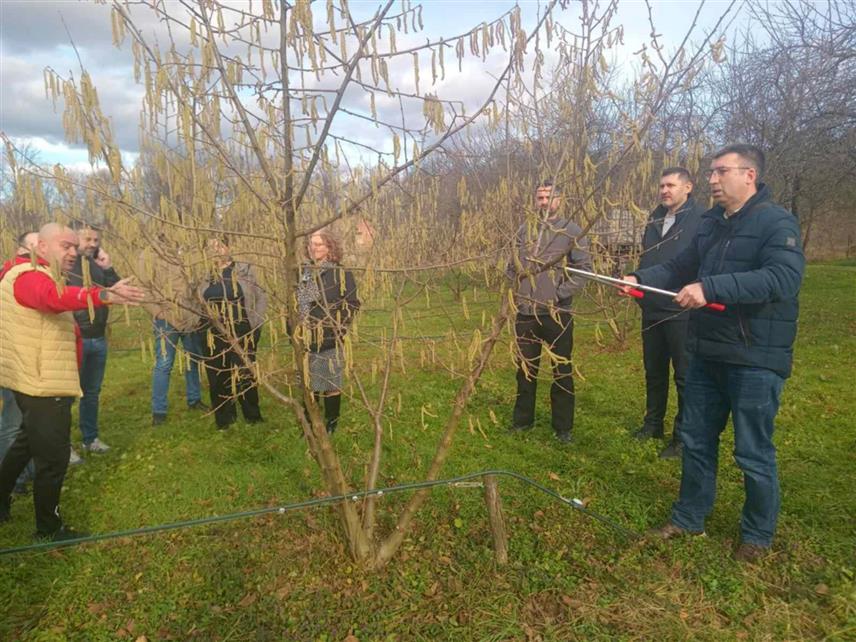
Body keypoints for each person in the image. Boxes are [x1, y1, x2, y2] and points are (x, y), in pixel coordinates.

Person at [624, 144, 805, 562]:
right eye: (711, 172)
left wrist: (711, 288)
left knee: (752, 451)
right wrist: (638, 277)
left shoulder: (776, 222)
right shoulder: (710, 224)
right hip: (707, 352)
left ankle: (757, 535)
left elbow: (782, 279)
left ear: (749, 175)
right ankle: (689, 518)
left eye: (721, 171)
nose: (712, 180)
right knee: (696, 440)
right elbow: (679, 267)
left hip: (754, 357)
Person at [0, 223, 144, 541]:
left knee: (25, 444)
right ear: (41, 248)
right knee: (53, 458)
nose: (72, 253)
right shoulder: (29, 277)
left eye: (74, 248)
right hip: (43, 383)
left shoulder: (28, 272)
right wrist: (103, 295)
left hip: (36, 379)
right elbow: (52, 297)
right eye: (65, 246)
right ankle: (49, 530)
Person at [507, 180, 591, 444]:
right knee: (525, 370)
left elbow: (584, 270)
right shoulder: (524, 230)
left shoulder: (572, 230)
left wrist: (558, 294)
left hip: (557, 315)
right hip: (525, 313)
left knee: (561, 371)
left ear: (559, 200)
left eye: (548, 197)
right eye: (539, 198)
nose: (544, 202)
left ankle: (563, 428)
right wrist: (516, 290)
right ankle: (522, 422)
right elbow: (511, 266)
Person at [633, 168, 705, 459]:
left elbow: (697, 262)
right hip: (652, 307)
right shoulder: (655, 218)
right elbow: (648, 257)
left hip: (681, 310)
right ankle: (653, 424)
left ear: (687, 187)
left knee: (684, 376)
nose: (665, 190)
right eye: (662, 185)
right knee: (654, 371)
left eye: (671, 185)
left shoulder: (701, 219)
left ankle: (682, 437)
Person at [296, 229, 360, 434]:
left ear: (330, 247)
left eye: (318, 244)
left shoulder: (341, 273)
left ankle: (332, 421)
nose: (312, 248)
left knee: (330, 380)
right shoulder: (303, 271)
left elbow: (352, 303)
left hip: (329, 335)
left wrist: (337, 327)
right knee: (308, 380)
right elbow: (297, 301)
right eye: (310, 244)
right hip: (304, 336)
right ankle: (310, 419)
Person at [138, 240, 208, 426]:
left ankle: (194, 399)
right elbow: (143, 288)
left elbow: (200, 282)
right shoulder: (150, 254)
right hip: (166, 320)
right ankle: (159, 411)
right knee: (164, 363)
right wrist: (159, 313)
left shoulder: (190, 248)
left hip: (191, 317)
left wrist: (199, 309)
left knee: (193, 360)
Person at [66, 223, 121, 454]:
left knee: (91, 393)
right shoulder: (65, 266)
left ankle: (90, 438)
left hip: (98, 338)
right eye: (87, 239)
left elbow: (117, 291)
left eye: (96, 240)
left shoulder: (97, 265)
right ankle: (64, 446)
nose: (92, 244)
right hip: (74, 339)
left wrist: (108, 268)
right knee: (66, 395)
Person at [200, 236, 266, 429]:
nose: (216, 250)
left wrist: (256, 323)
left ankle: (252, 416)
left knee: (245, 373)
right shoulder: (203, 274)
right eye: (211, 247)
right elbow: (192, 299)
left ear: (228, 248)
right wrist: (195, 322)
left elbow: (261, 296)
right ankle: (224, 419)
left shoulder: (244, 269)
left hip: (242, 329)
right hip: (212, 333)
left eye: (220, 246)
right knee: (217, 376)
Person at [0, 231, 40, 493]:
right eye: (36, 245)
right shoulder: (11, 274)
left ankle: (28, 471)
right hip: (12, 358)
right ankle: (13, 480)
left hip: (30, 358)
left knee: (28, 420)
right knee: (13, 422)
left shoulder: (36, 273)